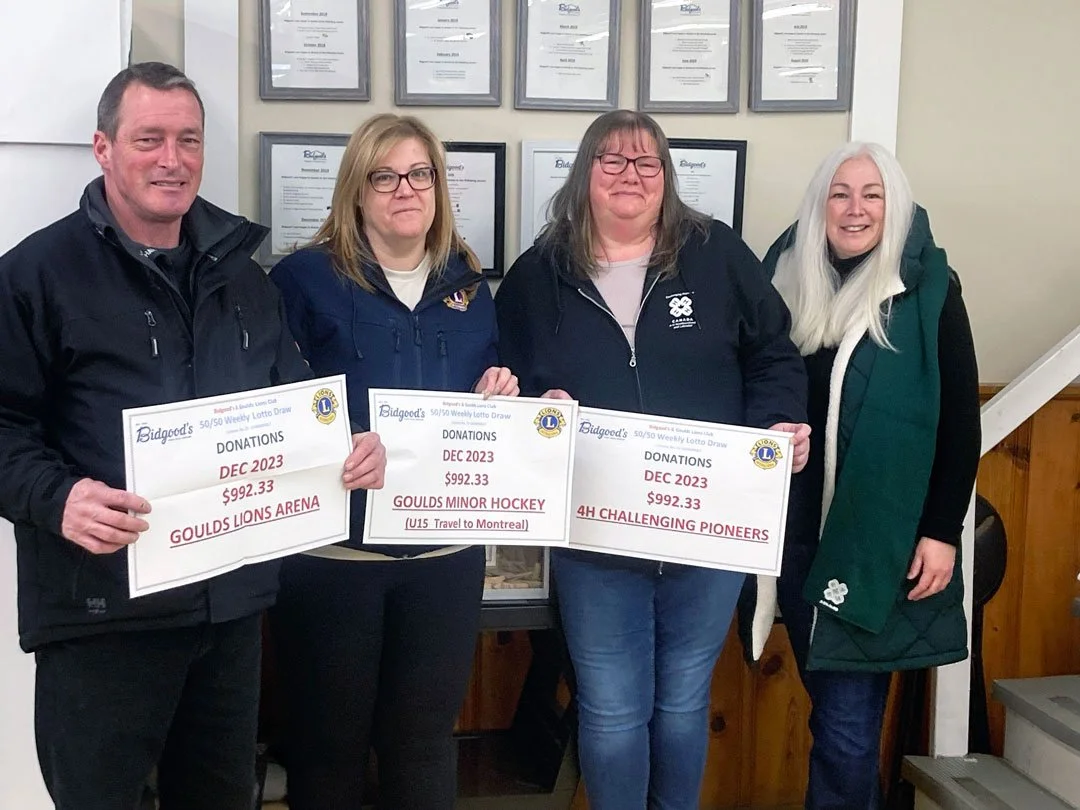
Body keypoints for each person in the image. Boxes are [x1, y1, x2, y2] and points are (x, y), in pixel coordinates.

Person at [0, 62, 386, 810]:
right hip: (101, 617)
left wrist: (348, 445)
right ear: (103, 148)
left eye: (187, 139)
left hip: (229, 610)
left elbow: (295, 403)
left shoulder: (244, 278)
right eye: (148, 139)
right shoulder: (34, 276)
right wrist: (60, 499)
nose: (171, 159)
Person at [494, 109, 810, 810]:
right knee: (609, 709)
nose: (630, 176)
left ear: (667, 179)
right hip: (595, 534)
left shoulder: (718, 255)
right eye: (612, 161)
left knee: (681, 703)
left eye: (647, 163)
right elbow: (504, 381)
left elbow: (774, 356)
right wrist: (531, 407)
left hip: (708, 527)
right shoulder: (537, 275)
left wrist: (779, 425)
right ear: (584, 176)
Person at [267, 113, 518, 810]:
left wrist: (498, 390)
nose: (404, 189)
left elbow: (484, 382)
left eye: (419, 173)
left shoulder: (468, 285)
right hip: (333, 559)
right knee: (328, 748)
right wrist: (335, 440)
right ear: (357, 190)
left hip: (445, 557)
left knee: (425, 745)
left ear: (438, 185)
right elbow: (271, 405)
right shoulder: (302, 280)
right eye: (385, 175)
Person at [762, 142, 981, 809]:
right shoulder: (783, 277)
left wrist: (942, 531)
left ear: (897, 206)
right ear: (819, 206)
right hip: (792, 540)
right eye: (840, 194)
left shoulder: (928, 290)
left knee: (848, 729)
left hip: (874, 546)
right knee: (830, 713)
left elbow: (957, 419)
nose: (855, 209)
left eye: (873, 194)